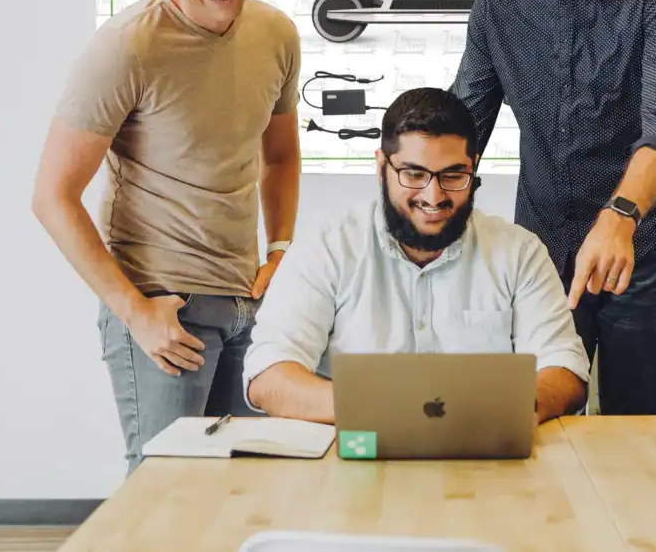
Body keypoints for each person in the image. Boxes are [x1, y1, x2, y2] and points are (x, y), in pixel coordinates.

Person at [31, 0, 302, 472]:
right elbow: (52, 196)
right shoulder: (126, 47)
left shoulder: (276, 34)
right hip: (164, 308)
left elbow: (279, 156)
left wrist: (279, 249)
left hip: (244, 303)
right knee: (165, 491)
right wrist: (134, 311)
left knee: (246, 483)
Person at [449, 0, 656, 415]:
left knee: (635, 426)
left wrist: (619, 217)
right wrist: (412, 179)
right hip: (543, 251)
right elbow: (464, 121)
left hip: (643, 247)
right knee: (539, 417)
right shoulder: (498, 1)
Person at [243, 88, 590, 424]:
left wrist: (512, 408)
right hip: (353, 455)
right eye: (414, 174)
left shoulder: (520, 253)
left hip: (485, 463)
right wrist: (385, 411)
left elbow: (565, 368)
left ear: (474, 167)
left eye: (454, 175)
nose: (433, 195)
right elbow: (268, 374)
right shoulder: (327, 246)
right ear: (381, 167)